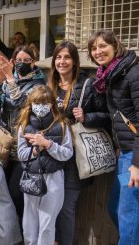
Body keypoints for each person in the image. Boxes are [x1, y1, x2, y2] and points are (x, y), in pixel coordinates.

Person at [48, 40, 109, 245]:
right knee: (51, 205)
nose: (62, 61)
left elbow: (106, 116)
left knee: (66, 208)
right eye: (58, 57)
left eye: (67, 57)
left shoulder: (87, 85)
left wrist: (86, 117)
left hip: (74, 160)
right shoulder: (50, 87)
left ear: (75, 62)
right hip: (51, 157)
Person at [87, 29, 139, 245]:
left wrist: (137, 164)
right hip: (125, 152)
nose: (98, 51)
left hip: (134, 157)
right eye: (94, 48)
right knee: (115, 206)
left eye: (102, 46)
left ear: (116, 46)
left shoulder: (133, 73)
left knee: (128, 217)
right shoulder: (110, 76)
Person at [0, 45, 45, 222]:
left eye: (26, 60)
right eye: (18, 60)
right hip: (4, 146)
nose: (21, 64)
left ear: (33, 62)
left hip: (24, 148)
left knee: (16, 194)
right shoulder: (6, 82)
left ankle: (20, 233)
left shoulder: (38, 85)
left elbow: (21, 103)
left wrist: (10, 77)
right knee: (2, 192)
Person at [16, 85, 73, 245]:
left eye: (45, 103)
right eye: (37, 103)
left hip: (53, 177)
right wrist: (36, 149)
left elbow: (67, 153)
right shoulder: (24, 125)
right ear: (31, 104)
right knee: (29, 222)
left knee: (47, 223)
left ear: (52, 105)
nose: (40, 107)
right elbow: (21, 154)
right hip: (32, 177)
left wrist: (47, 144)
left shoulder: (62, 125)